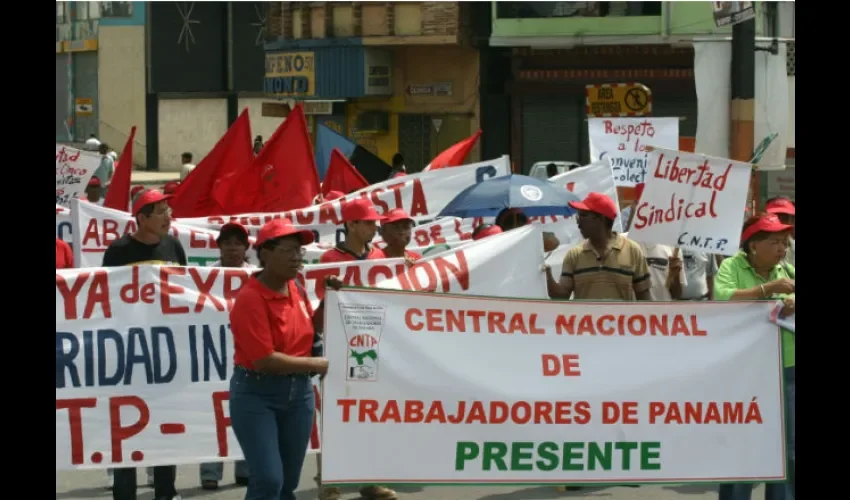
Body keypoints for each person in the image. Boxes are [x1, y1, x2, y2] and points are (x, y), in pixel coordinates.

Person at [228, 218, 339, 500]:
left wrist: (329, 300)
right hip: (257, 395)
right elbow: (264, 359)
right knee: (268, 480)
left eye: (299, 251)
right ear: (265, 253)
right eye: (288, 250)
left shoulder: (296, 289)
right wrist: (318, 365)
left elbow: (312, 328)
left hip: (298, 395)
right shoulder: (250, 298)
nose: (296, 257)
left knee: (287, 482)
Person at [102, 188, 186, 500]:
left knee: (165, 425)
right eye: (161, 211)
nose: (169, 216)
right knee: (127, 429)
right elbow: (104, 298)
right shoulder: (119, 250)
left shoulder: (173, 245)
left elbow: (184, 291)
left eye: (168, 210)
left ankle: (166, 491)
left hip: (166, 354)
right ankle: (124, 493)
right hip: (128, 355)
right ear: (142, 217)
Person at [317, 199, 398, 500]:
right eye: (368, 222)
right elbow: (318, 310)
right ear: (350, 224)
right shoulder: (329, 259)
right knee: (334, 414)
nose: (375, 226)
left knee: (370, 414)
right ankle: (329, 482)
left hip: (374, 345)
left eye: (375, 222)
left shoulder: (380, 257)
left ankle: (368, 479)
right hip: (339, 346)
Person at [714, 214, 795, 500]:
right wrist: (767, 291)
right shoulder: (731, 266)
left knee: (788, 448)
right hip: (744, 370)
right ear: (753, 246)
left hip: (787, 369)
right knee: (743, 444)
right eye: (774, 242)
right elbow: (721, 297)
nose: (782, 249)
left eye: (784, 243)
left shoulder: (787, 271)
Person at [199, 222, 253, 490]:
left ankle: (244, 468)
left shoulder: (257, 276)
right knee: (212, 413)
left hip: (246, 353)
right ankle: (210, 471)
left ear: (246, 247)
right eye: (227, 243)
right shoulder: (201, 276)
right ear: (219, 246)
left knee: (246, 412)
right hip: (212, 355)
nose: (233, 248)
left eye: (238, 243)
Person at [547, 192, 652, 301]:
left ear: (601, 218)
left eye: (583, 215)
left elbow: (644, 297)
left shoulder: (632, 250)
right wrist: (546, 274)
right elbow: (561, 296)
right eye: (578, 216)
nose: (578, 221)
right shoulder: (574, 255)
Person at [319, 199, 384, 263]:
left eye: (374, 222)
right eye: (369, 223)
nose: (375, 228)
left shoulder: (379, 255)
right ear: (351, 225)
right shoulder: (330, 259)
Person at [765, 197, 795, 268]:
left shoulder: (793, 246)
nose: (779, 220)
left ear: (792, 220)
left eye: (785, 217)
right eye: (775, 216)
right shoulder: (757, 245)